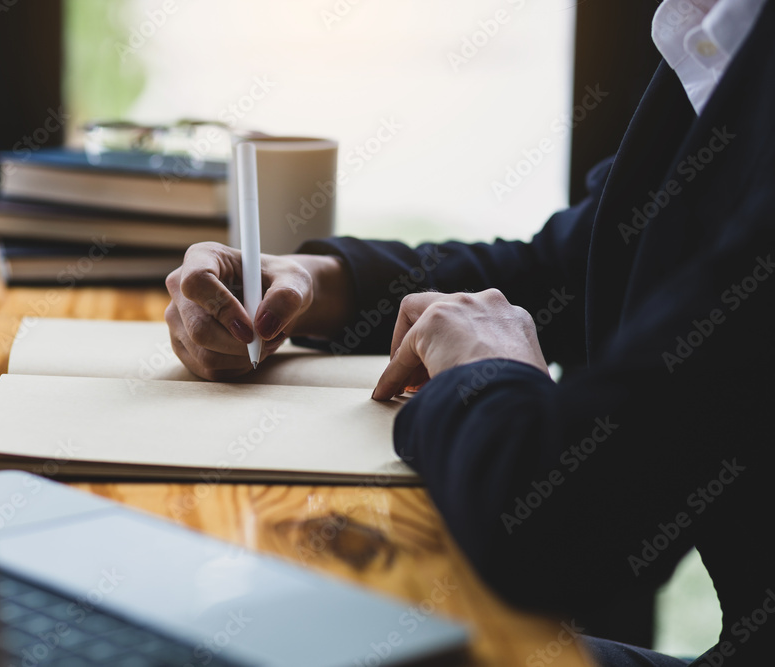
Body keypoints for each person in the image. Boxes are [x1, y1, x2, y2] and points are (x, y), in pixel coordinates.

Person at [164, 1, 775, 664]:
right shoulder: (712, 30)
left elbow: (559, 524)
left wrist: (484, 367)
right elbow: (573, 264)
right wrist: (319, 282)